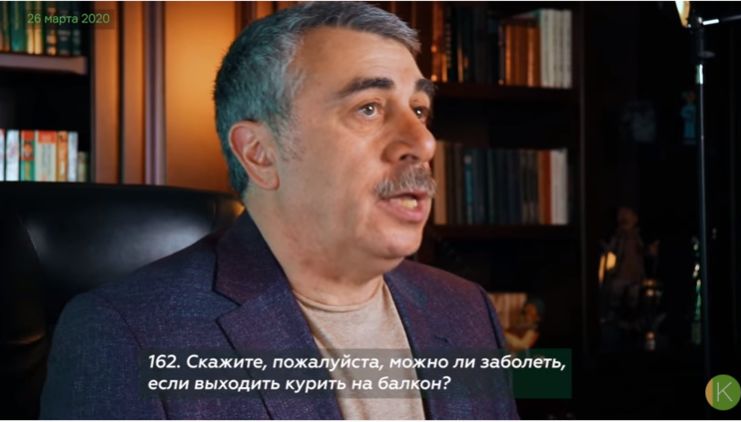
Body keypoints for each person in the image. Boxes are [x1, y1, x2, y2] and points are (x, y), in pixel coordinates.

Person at [40, 2, 518, 419]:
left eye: (418, 109)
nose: (424, 142)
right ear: (260, 154)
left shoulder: (466, 310)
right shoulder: (124, 334)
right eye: (369, 107)